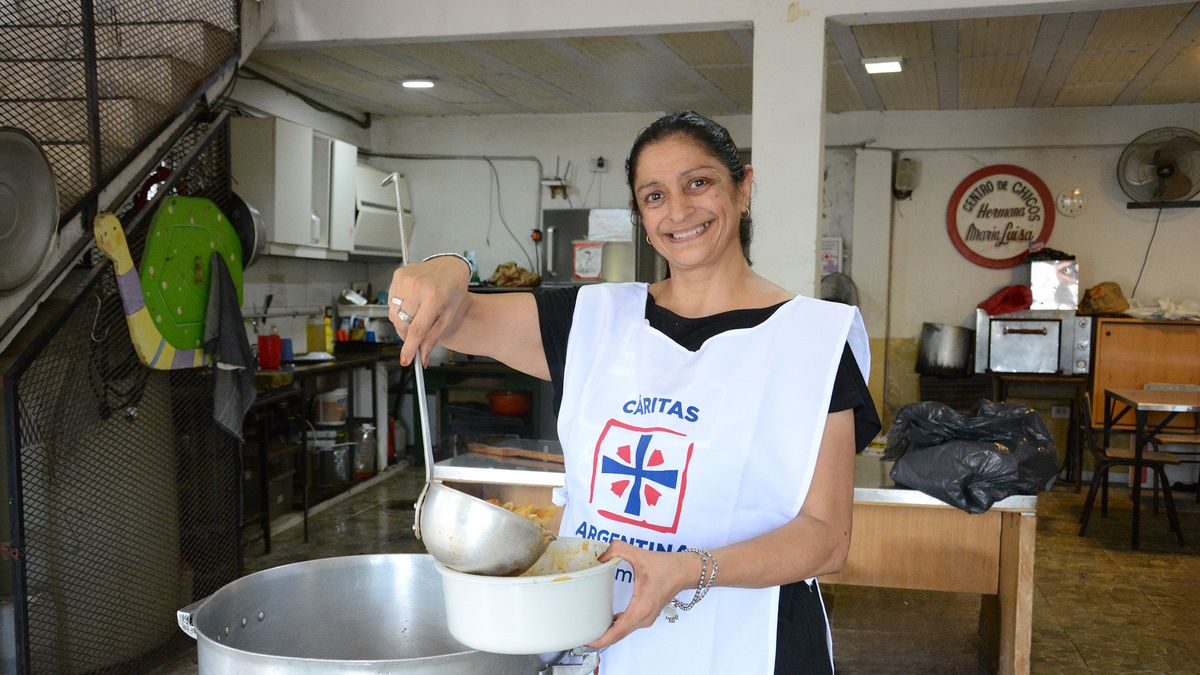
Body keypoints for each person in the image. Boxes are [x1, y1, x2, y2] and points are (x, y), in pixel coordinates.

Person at [388, 111, 880, 674]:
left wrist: (686, 570)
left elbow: (826, 539)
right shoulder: (592, 320)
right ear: (642, 216)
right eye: (654, 195)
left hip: (756, 644)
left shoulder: (812, 340)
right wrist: (447, 265)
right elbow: (454, 316)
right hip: (597, 635)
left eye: (699, 182)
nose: (678, 210)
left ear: (743, 187)